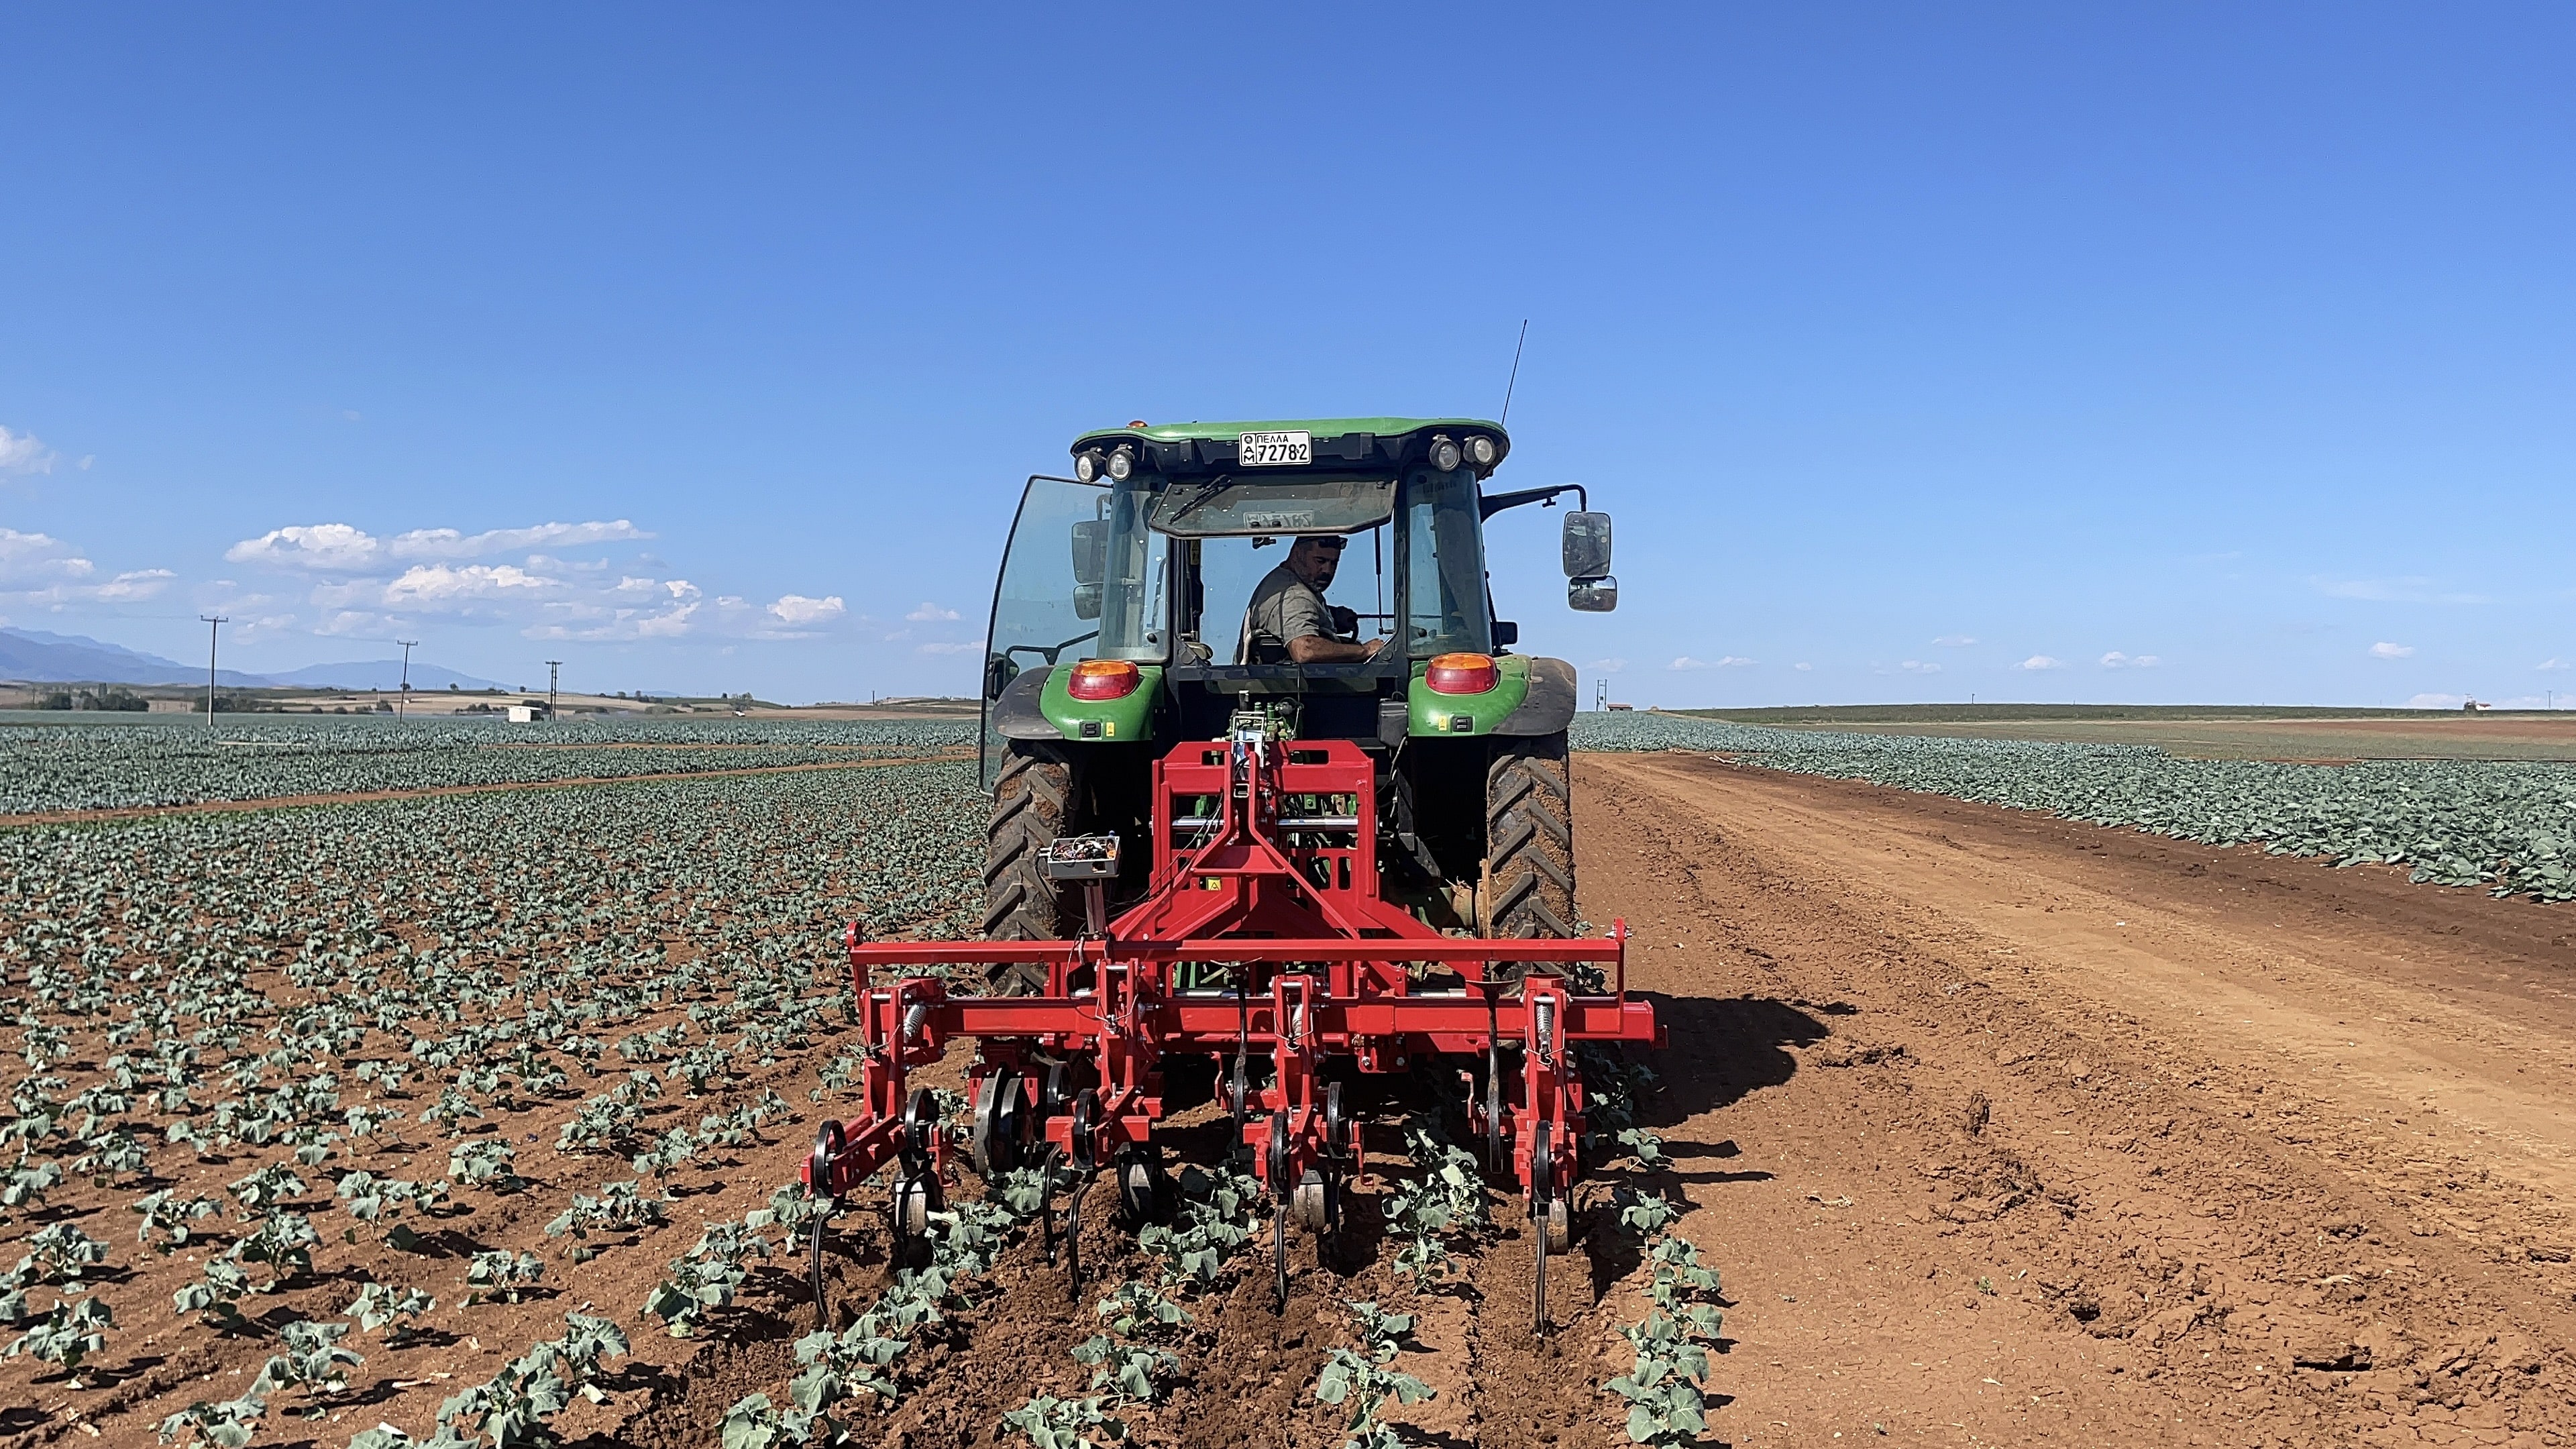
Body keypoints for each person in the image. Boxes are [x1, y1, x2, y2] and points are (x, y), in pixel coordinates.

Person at [1240, 535, 1385, 664]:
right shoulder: (1294, 596)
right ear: (1297, 554)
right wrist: (1365, 651)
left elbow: (1299, 616)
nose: (1327, 570)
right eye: (1320, 561)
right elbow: (1305, 649)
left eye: (1333, 563)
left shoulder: (1288, 582)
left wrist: (1332, 617)